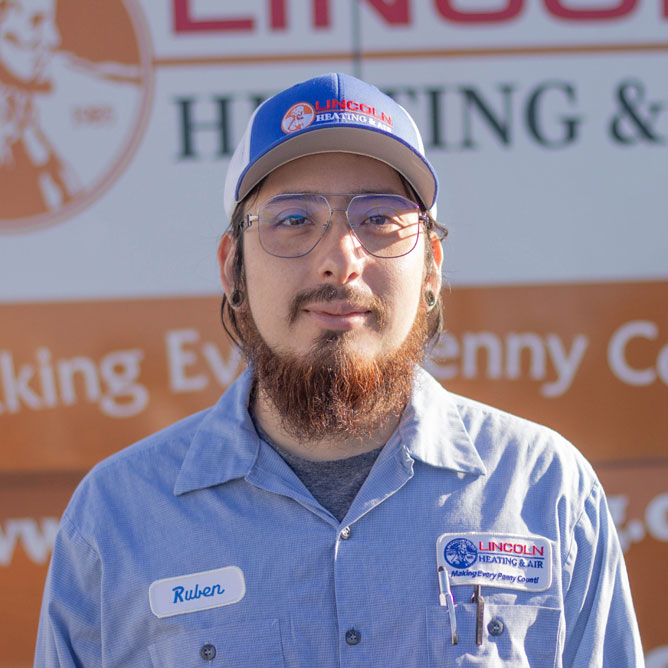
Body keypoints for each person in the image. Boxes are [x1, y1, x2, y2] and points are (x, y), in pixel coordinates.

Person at [35, 72, 643, 666]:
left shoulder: (545, 491)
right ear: (232, 269)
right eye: (295, 218)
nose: (339, 260)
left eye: (379, 218)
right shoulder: (116, 519)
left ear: (431, 266)